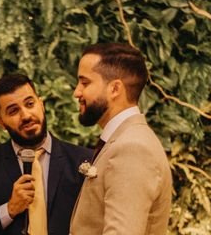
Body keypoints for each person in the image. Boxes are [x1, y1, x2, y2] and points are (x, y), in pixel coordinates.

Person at [0, 74, 91, 235]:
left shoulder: (82, 159)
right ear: (0, 122)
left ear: (41, 104)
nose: (26, 115)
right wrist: (9, 209)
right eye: (13, 111)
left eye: (30, 104)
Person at [70, 43, 172, 235]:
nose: (76, 92)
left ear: (115, 89)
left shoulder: (133, 149)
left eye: (85, 83)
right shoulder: (123, 140)